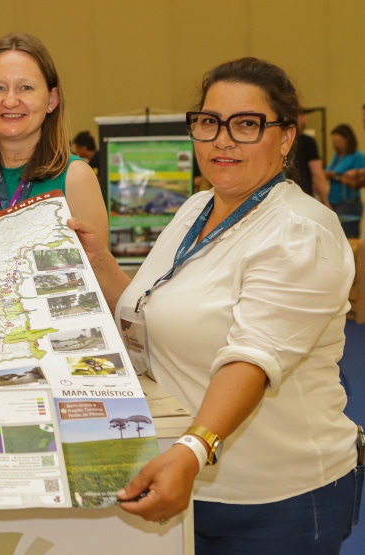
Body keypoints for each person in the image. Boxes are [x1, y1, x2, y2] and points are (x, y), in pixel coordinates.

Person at [70, 57, 358, 553]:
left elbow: (251, 358)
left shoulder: (300, 231)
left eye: (246, 125)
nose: (223, 140)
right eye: (209, 122)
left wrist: (192, 448)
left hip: (276, 501)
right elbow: (149, 308)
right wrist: (98, 260)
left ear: (286, 138)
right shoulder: (194, 208)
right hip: (189, 479)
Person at [0, 32, 107, 247]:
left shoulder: (76, 178)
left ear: (51, 99)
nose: (10, 101)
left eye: (25, 88)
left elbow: (98, 274)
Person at [324, 124, 365, 237]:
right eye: (335, 142)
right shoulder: (337, 157)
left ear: (348, 141)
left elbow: (359, 183)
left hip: (348, 203)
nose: (337, 145)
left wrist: (337, 177)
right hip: (334, 203)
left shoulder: (357, 156)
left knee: (347, 241)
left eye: (340, 141)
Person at [290, 109, 330, 206]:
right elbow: (318, 175)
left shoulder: (281, 140)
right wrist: (325, 201)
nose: (305, 120)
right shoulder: (308, 141)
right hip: (303, 198)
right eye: (302, 116)